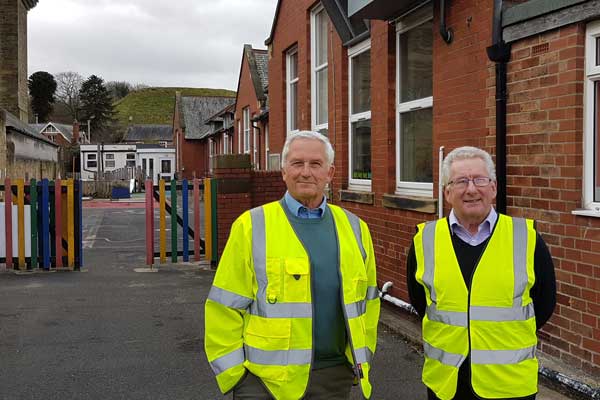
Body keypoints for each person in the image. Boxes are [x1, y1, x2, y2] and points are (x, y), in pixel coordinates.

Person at [205, 131, 380, 400]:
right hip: (264, 382)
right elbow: (223, 306)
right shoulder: (251, 226)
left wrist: (359, 358)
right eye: (297, 164)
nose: (306, 173)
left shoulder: (356, 228)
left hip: (333, 378)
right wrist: (236, 376)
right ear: (284, 171)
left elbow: (369, 302)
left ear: (330, 173)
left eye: (315, 164)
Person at [406, 146, 556, 400]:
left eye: (480, 180)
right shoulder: (425, 240)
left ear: (494, 188)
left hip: (510, 386)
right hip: (446, 384)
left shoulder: (526, 237)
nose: (472, 189)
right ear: (447, 192)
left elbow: (544, 304)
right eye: (461, 181)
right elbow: (421, 302)